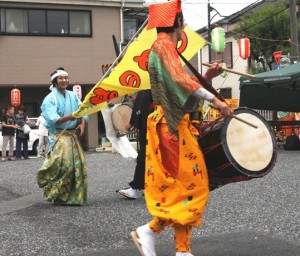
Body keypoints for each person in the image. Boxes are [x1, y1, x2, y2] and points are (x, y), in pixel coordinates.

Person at [130, 1, 233, 255]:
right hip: (171, 127)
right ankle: (153, 232)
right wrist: (217, 101)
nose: (184, 26)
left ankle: (181, 248)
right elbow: (179, 80)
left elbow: (182, 89)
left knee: (182, 187)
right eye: (183, 22)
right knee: (192, 185)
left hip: (173, 125)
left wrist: (207, 79)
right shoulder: (164, 45)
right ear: (178, 23)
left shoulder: (165, 48)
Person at [36, 67, 88, 205]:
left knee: (77, 167)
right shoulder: (50, 98)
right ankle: (58, 195)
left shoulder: (73, 95)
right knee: (63, 166)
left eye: (66, 78)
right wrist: (71, 116)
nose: (64, 80)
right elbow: (53, 119)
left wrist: (82, 124)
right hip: (60, 136)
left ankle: (75, 196)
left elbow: (83, 110)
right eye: (61, 78)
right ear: (55, 81)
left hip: (72, 137)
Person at [117, 89, 154, 199]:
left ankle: (135, 189)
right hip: (159, 126)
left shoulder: (145, 90)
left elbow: (141, 109)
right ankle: (150, 187)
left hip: (150, 129)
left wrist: (133, 123)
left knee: (144, 158)